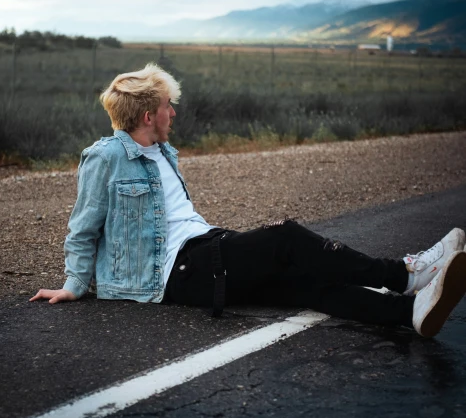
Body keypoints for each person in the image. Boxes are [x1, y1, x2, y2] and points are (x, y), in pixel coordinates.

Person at [31, 63, 466, 338]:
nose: (173, 113)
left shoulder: (163, 152)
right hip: (172, 274)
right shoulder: (106, 156)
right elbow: (84, 224)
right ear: (149, 115)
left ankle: (408, 311)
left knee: (301, 281)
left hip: (203, 249)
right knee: (286, 238)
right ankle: (406, 274)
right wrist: (74, 284)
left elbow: (179, 220)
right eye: (168, 106)